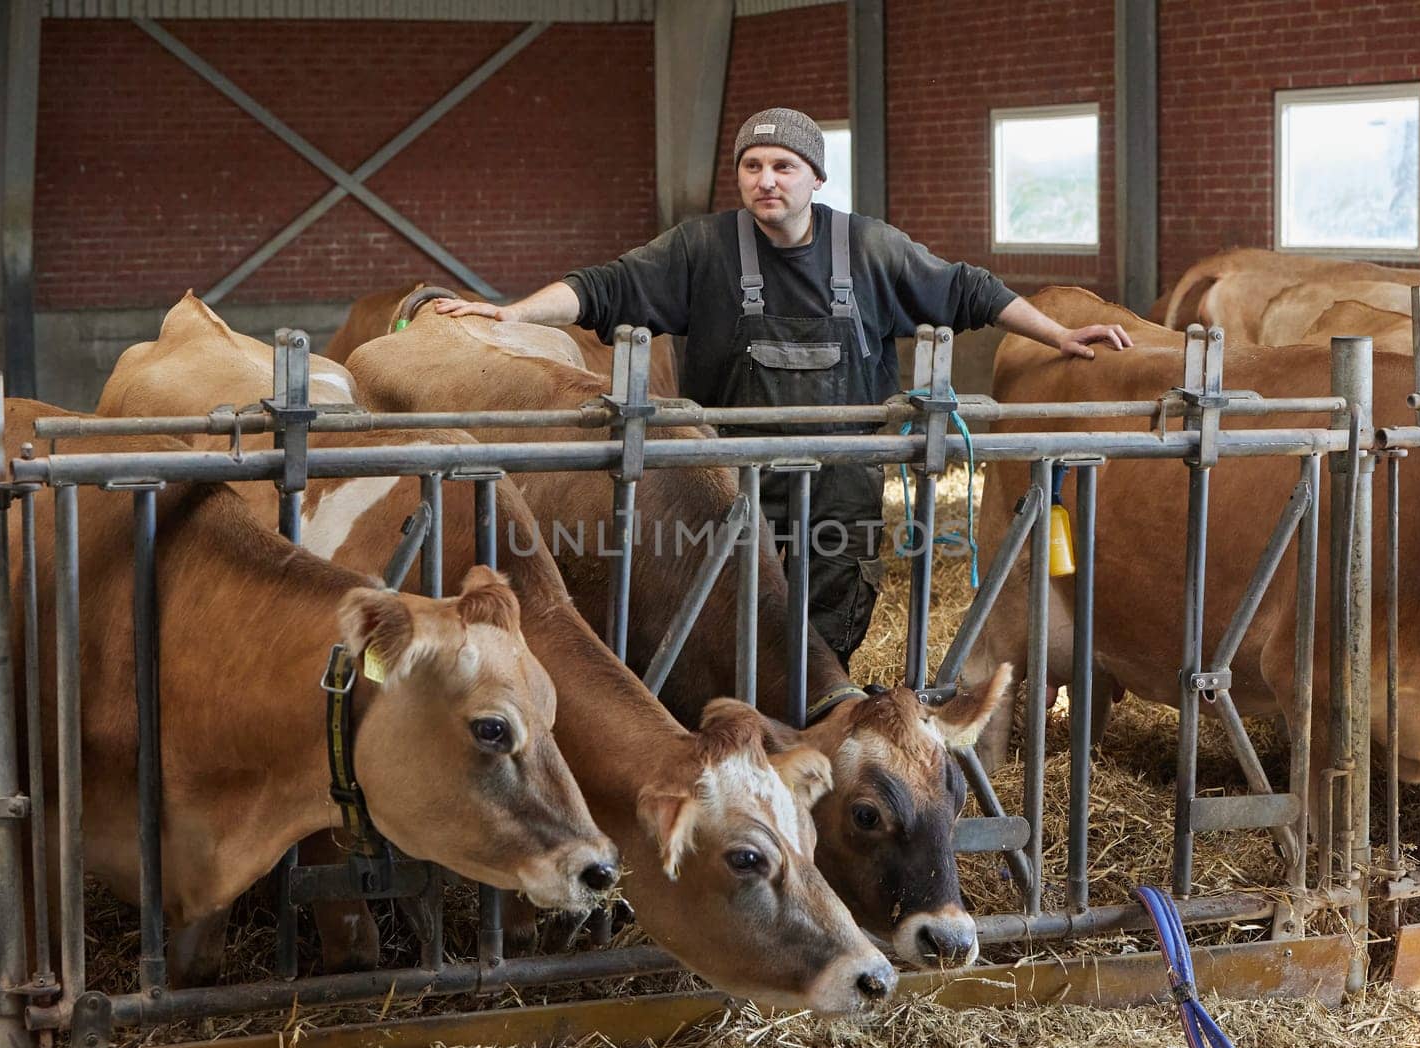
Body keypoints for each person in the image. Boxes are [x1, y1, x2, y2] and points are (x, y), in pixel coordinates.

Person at [436, 107, 1132, 669]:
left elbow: (967, 289)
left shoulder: (869, 250)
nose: (767, 179)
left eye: (784, 166)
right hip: (726, 492)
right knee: (730, 634)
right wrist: (511, 312)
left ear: (815, 177)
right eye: (752, 165)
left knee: (825, 645)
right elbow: (602, 287)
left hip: (842, 493)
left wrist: (1060, 336)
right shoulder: (699, 249)